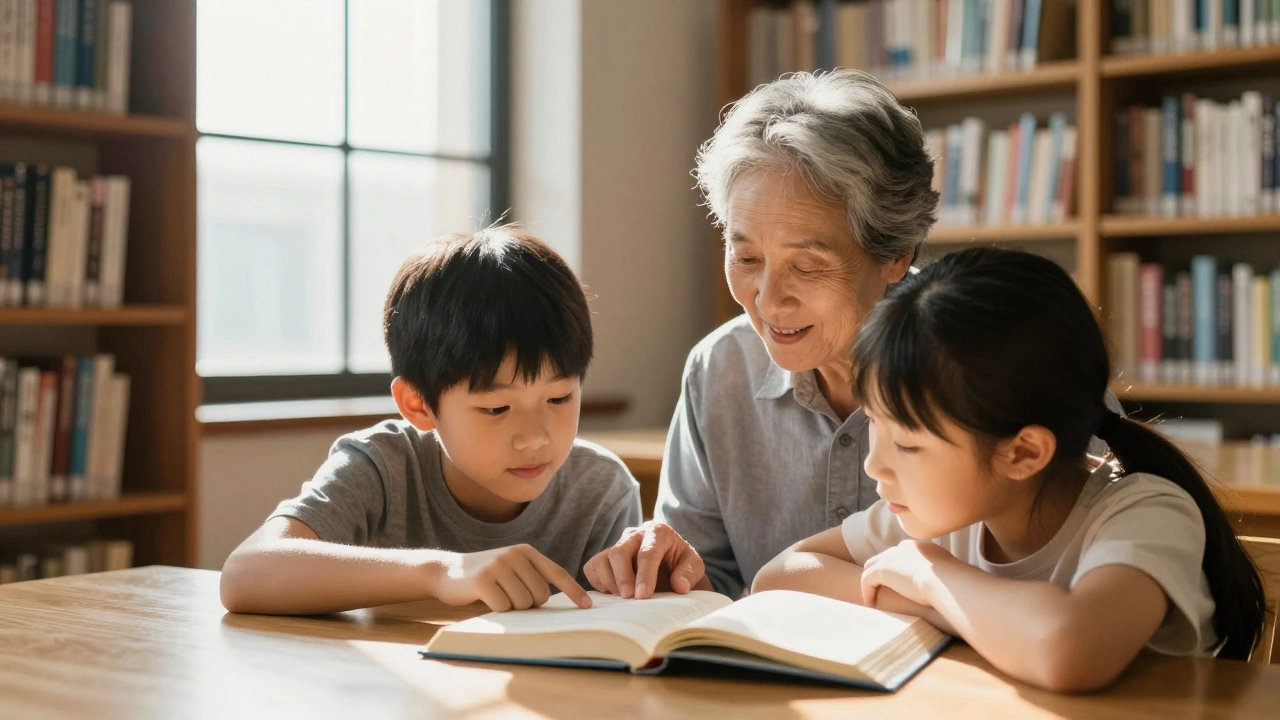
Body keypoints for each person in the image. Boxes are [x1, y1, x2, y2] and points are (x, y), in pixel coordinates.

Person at [752, 247, 1265, 692]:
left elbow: (1070, 650)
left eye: (907, 444)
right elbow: (778, 577)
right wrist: (941, 606)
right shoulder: (943, 512)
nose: (873, 464)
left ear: (1022, 453)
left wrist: (934, 583)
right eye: (877, 427)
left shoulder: (1147, 513)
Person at [583, 68, 939, 600]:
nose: (769, 301)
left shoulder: (999, 357)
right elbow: (718, 588)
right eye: (746, 256)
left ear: (896, 253)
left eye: (808, 266)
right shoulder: (721, 369)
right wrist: (673, 572)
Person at [220, 227, 641, 615]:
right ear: (418, 404)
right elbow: (245, 576)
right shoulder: (383, 467)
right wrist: (439, 572)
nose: (534, 438)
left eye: (559, 397)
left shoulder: (601, 490)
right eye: (496, 408)